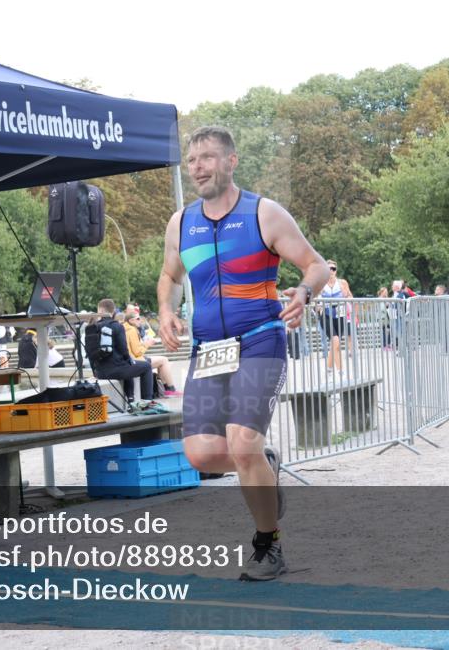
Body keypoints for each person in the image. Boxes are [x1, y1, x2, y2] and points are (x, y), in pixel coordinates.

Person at [157, 125, 328, 581]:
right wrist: (164, 311)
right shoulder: (181, 222)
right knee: (200, 455)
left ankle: (267, 544)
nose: (198, 168)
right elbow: (171, 276)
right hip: (208, 350)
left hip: (259, 339)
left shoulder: (263, 213)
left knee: (241, 442)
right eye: (192, 161)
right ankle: (263, 466)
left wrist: (305, 294)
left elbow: (315, 265)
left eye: (208, 158)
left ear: (231, 162)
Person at [85, 299, 155, 403]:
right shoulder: (116, 326)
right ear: (113, 311)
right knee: (146, 366)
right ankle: (147, 402)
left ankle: (131, 399)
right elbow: (124, 351)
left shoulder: (90, 328)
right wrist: (129, 360)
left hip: (100, 372)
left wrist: (95, 373)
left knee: (128, 365)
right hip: (115, 370)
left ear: (99, 310)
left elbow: (90, 353)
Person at [124, 306, 181, 396]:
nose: (140, 320)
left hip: (130, 359)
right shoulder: (132, 330)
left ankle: (167, 389)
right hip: (136, 360)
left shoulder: (125, 328)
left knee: (161, 361)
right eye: (138, 319)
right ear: (131, 321)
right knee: (164, 360)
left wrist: (144, 344)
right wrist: (148, 344)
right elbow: (137, 352)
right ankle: (170, 389)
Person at [319, 260, 353, 375]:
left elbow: (350, 297)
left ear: (336, 270)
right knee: (335, 340)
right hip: (326, 315)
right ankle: (340, 370)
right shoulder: (320, 283)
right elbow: (312, 298)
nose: (331, 271)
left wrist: (346, 296)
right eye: (329, 269)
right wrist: (317, 305)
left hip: (340, 314)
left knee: (336, 343)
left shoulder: (342, 283)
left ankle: (329, 368)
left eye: (333, 269)